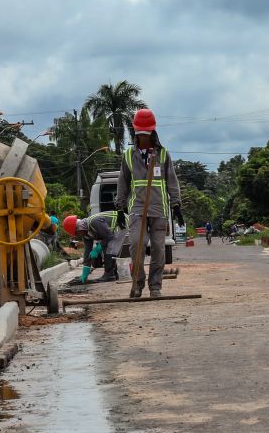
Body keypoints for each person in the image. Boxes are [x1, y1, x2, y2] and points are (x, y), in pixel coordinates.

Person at [115, 108, 183, 299]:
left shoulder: (163, 154)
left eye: (146, 133)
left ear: (152, 132)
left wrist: (176, 205)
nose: (143, 136)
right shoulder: (129, 155)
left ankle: (155, 286)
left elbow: (172, 180)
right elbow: (123, 183)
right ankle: (137, 284)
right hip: (137, 210)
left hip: (159, 209)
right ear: (136, 133)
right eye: (140, 133)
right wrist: (120, 207)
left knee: (158, 249)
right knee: (137, 245)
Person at [62, 210, 128, 283]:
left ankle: (109, 274)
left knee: (109, 247)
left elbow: (109, 236)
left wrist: (97, 249)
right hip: (113, 230)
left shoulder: (94, 222)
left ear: (79, 227)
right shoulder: (86, 234)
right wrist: (85, 273)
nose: (79, 235)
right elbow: (87, 252)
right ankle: (112, 273)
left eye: (77, 233)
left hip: (121, 221)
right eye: (76, 234)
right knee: (106, 247)